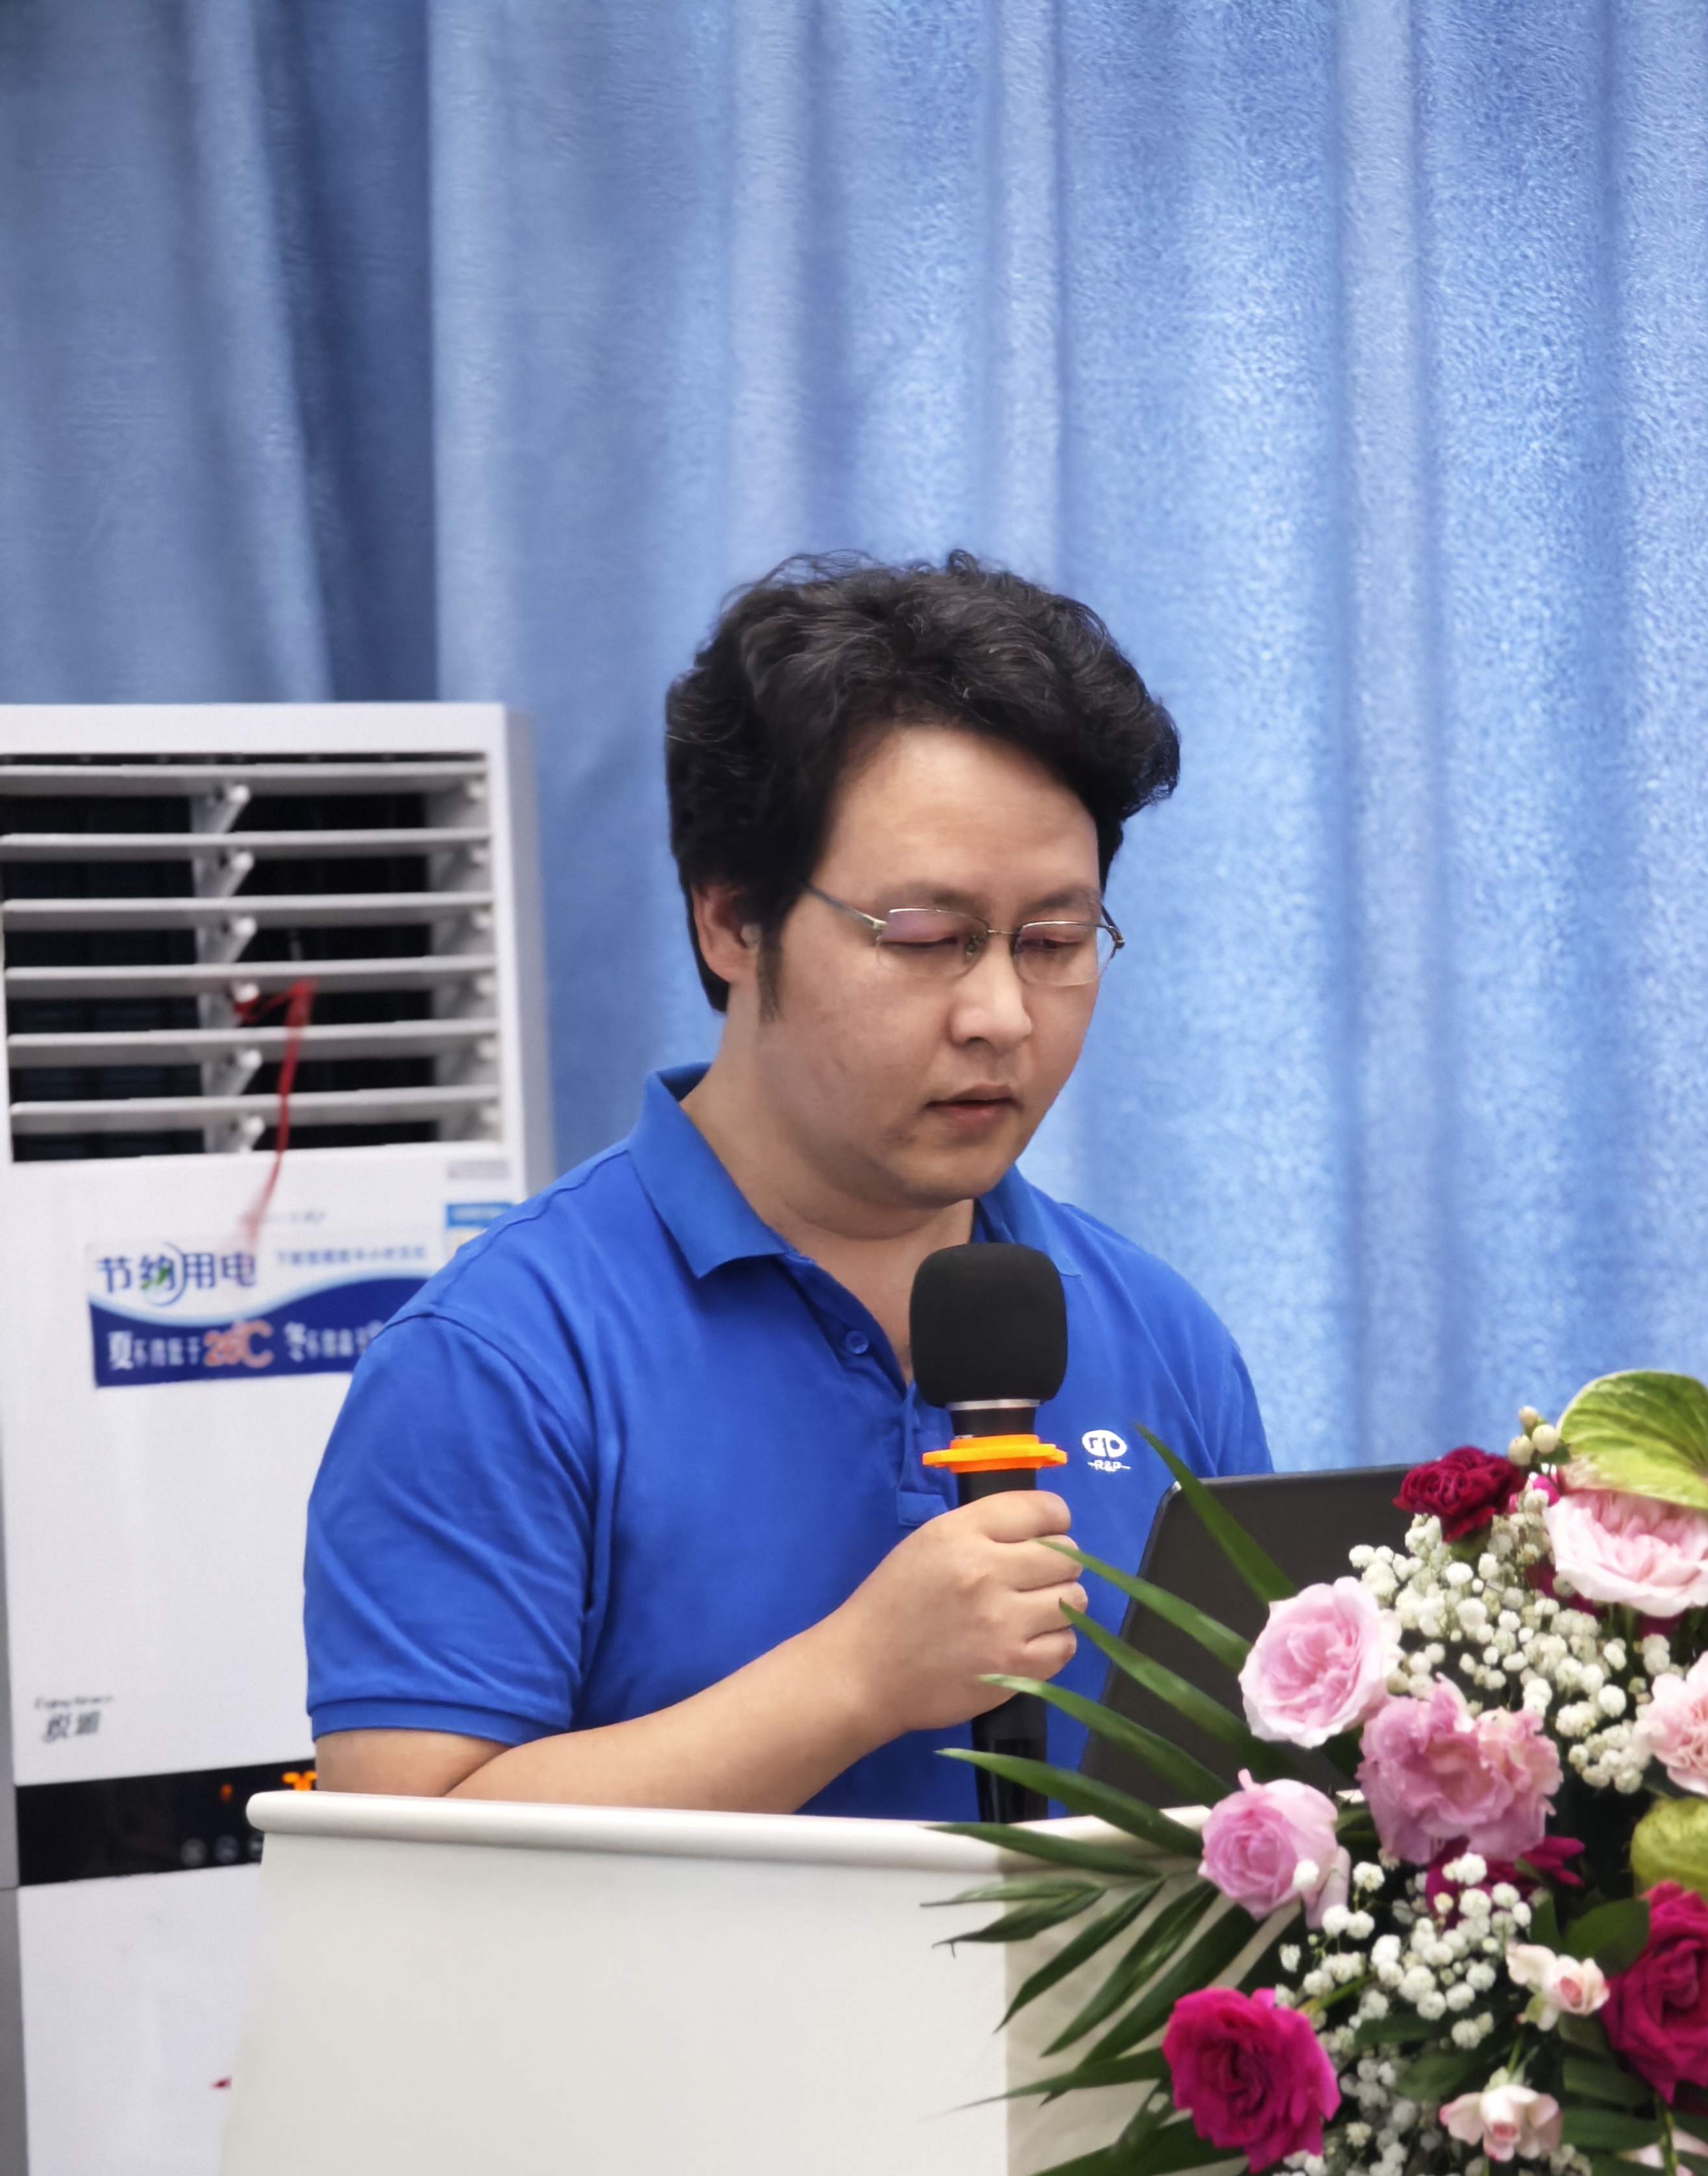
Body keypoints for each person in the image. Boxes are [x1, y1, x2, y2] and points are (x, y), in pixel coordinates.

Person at [308, 552, 1270, 1816]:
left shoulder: (1165, 1340)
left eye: (1054, 940)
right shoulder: (500, 1357)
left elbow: (1266, 1802)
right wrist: (855, 1679)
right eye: (926, 938)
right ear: (732, 921)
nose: (1001, 1014)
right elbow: (404, 1863)